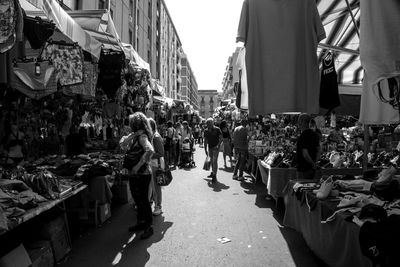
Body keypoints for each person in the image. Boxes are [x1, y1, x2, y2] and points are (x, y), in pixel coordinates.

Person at [120, 112, 154, 239]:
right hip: (136, 175)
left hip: (142, 174)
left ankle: (148, 227)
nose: (130, 125)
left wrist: (137, 166)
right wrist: (134, 134)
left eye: (132, 123)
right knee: (138, 200)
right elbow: (122, 145)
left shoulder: (142, 137)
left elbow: (150, 150)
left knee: (143, 201)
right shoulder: (135, 136)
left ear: (135, 124)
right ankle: (141, 223)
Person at [296, 114, 321, 180]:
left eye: (299, 121)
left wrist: (313, 164)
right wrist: (315, 162)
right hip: (312, 169)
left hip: (303, 169)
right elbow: (319, 150)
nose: (298, 123)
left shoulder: (303, 136)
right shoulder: (314, 134)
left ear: (302, 122)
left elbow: (305, 154)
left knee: (302, 188)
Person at [148, 118, 164, 216]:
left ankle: (158, 207)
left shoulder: (156, 137)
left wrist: (148, 155)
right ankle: (154, 203)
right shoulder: (152, 136)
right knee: (153, 186)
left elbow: (161, 153)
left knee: (156, 187)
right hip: (153, 164)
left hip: (156, 164)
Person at [204, 118, 223, 183]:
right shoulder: (206, 130)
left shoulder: (217, 129)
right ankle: (213, 172)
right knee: (211, 161)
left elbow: (221, 138)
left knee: (214, 161)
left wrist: (218, 145)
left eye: (209, 123)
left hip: (215, 147)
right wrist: (205, 149)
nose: (208, 124)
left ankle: (214, 175)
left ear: (212, 123)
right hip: (210, 148)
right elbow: (205, 140)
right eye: (207, 123)